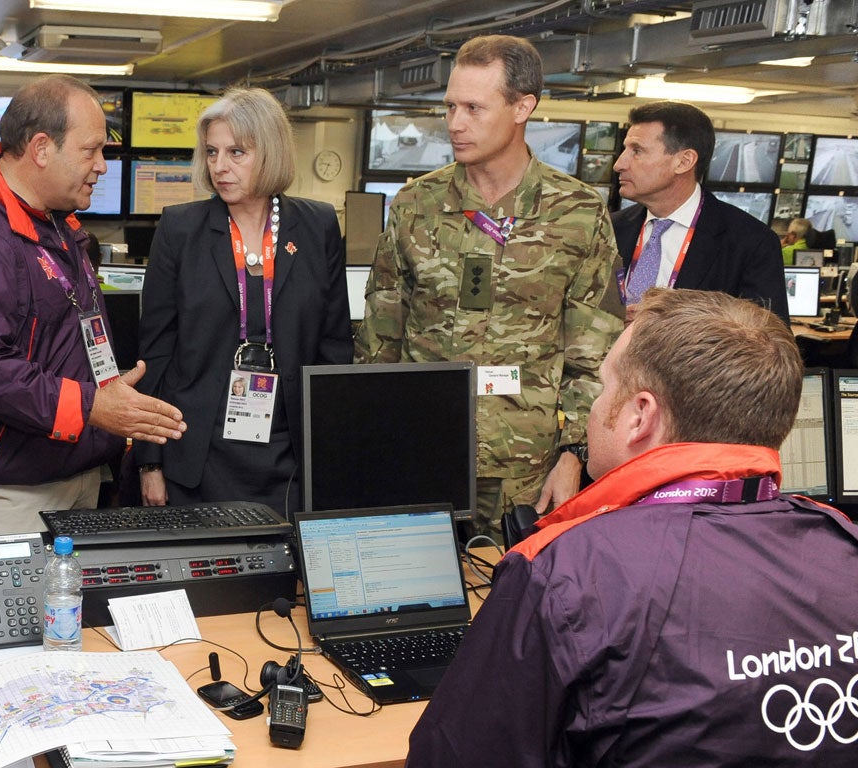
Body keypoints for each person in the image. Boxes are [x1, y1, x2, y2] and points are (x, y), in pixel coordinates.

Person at [407, 288, 858, 767]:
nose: (595, 410)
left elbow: (450, 757)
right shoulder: (843, 545)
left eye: (604, 388)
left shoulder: (568, 575)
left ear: (639, 416)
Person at [353, 35, 621, 536]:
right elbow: (380, 339)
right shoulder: (417, 203)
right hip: (420, 454)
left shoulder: (577, 212)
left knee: (516, 604)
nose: (455, 123)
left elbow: (594, 355)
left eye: (474, 108)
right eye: (450, 106)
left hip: (528, 470)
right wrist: (374, 440)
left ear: (523, 107)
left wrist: (574, 457)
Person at [0, 74, 187, 537]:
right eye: (91, 150)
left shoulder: (55, 224)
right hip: (8, 491)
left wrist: (105, 391)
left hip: (74, 472)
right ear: (41, 148)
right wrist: (91, 406)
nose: (102, 165)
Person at [134, 87, 352, 519]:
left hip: (288, 456)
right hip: (197, 452)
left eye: (236, 152)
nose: (220, 166)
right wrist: (149, 462)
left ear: (269, 152)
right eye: (212, 152)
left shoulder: (317, 225)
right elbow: (155, 354)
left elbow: (334, 349)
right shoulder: (180, 229)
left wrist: (331, 459)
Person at [611, 101, 790, 325]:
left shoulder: (750, 243)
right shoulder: (610, 228)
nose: (619, 164)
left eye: (637, 151)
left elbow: (768, 341)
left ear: (684, 161)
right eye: (625, 150)